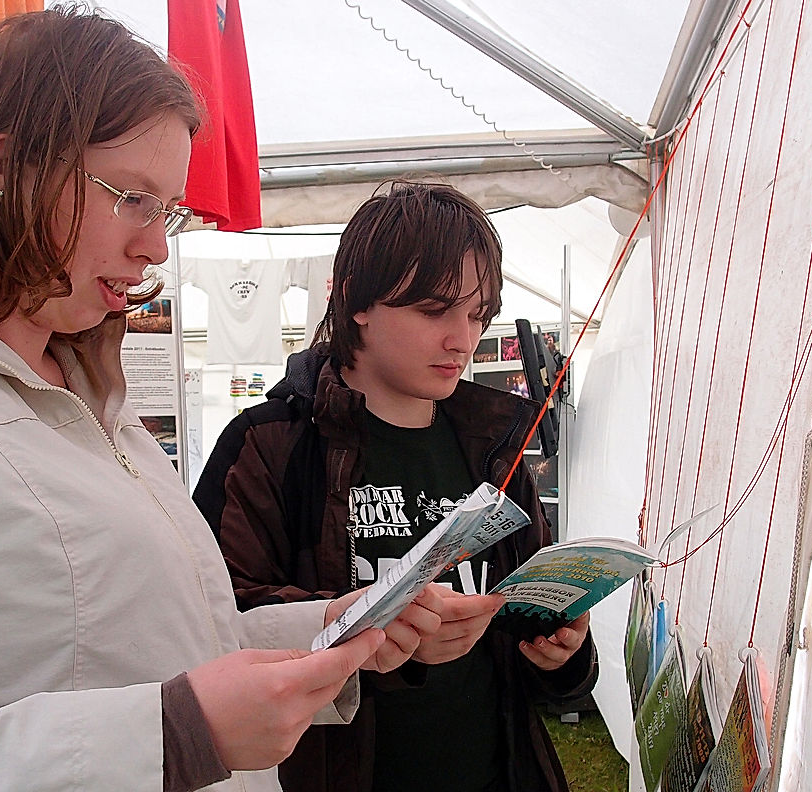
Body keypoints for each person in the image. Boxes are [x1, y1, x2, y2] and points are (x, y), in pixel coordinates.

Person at [0, 7, 446, 792]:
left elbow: (153, 646)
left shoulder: (91, 395)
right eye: (130, 197)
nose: (154, 245)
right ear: (6, 169)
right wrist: (168, 736)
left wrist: (334, 630)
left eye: (165, 208)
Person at [194, 182, 598, 792]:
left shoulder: (494, 445)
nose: (462, 339)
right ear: (358, 301)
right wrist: (370, 638)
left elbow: (520, 634)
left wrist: (562, 653)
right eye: (436, 310)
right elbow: (211, 625)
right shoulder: (270, 445)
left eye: (477, 315)